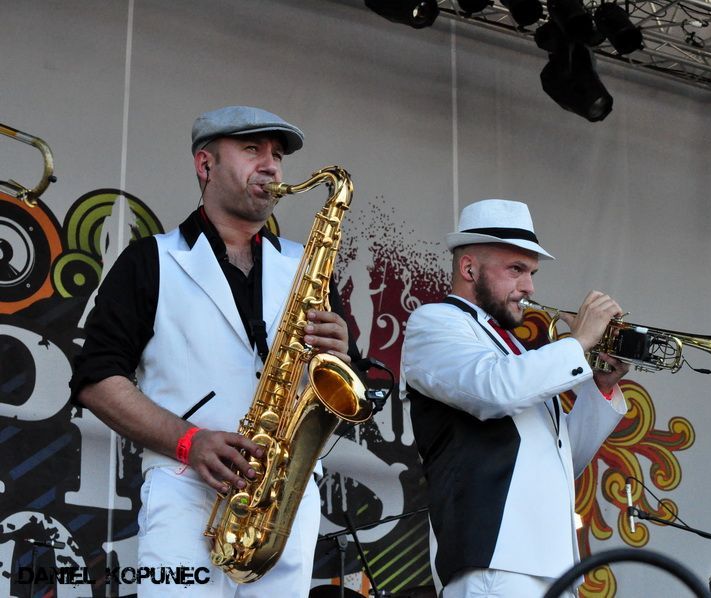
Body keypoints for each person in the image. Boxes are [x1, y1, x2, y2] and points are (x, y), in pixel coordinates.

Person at [70, 105, 355, 596]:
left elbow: (349, 383)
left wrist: (340, 353)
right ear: (205, 165)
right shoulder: (150, 260)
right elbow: (96, 378)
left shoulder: (307, 267)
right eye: (252, 150)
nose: (271, 166)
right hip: (184, 491)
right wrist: (189, 441)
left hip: (283, 500)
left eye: (277, 155)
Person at [401, 199, 630, 597]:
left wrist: (602, 385)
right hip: (494, 563)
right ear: (469, 268)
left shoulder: (518, 354)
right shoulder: (435, 323)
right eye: (516, 270)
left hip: (552, 566)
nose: (529, 287)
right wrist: (578, 343)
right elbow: (495, 391)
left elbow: (564, 459)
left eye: (532, 273)